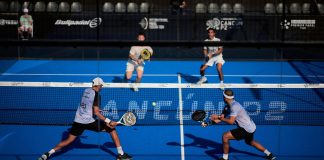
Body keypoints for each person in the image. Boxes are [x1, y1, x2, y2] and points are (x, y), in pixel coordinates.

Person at [38, 77, 132, 160]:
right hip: (88, 121)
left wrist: (97, 110)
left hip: (77, 121)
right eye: (101, 86)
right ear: (98, 85)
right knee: (112, 129)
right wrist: (109, 121)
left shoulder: (86, 90)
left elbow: (88, 105)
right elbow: (96, 113)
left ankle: (48, 153)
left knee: (68, 141)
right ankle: (121, 154)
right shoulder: (97, 95)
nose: (102, 87)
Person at [204, 89, 276, 160]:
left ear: (225, 98)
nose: (222, 97)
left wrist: (218, 117)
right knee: (250, 142)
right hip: (252, 127)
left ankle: (225, 158)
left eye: (223, 96)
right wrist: (208, 123)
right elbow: (221, 119)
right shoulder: (227, 107)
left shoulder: (234, 106)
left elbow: (231, 122)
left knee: (225, 136)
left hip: (245, 128)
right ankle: (269, 154)